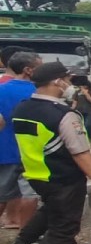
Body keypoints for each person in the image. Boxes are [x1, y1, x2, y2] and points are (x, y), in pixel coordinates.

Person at [0, 61, 91, 244]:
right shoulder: (64, 115)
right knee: (63, 231)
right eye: (66, 80)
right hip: (63, 179)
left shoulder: (22, 108)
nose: (69, 84)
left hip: (37, 176)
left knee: (49, 214)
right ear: (57, 82)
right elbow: (80, 152)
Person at [0, 51, 42, 234]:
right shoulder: (38, 93)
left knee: (2, 195)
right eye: (40, 67)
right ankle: (25, 235)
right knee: (30, 194)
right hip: (31, 152)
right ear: (28, 70)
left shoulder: (1, 90)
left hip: (5, 151)